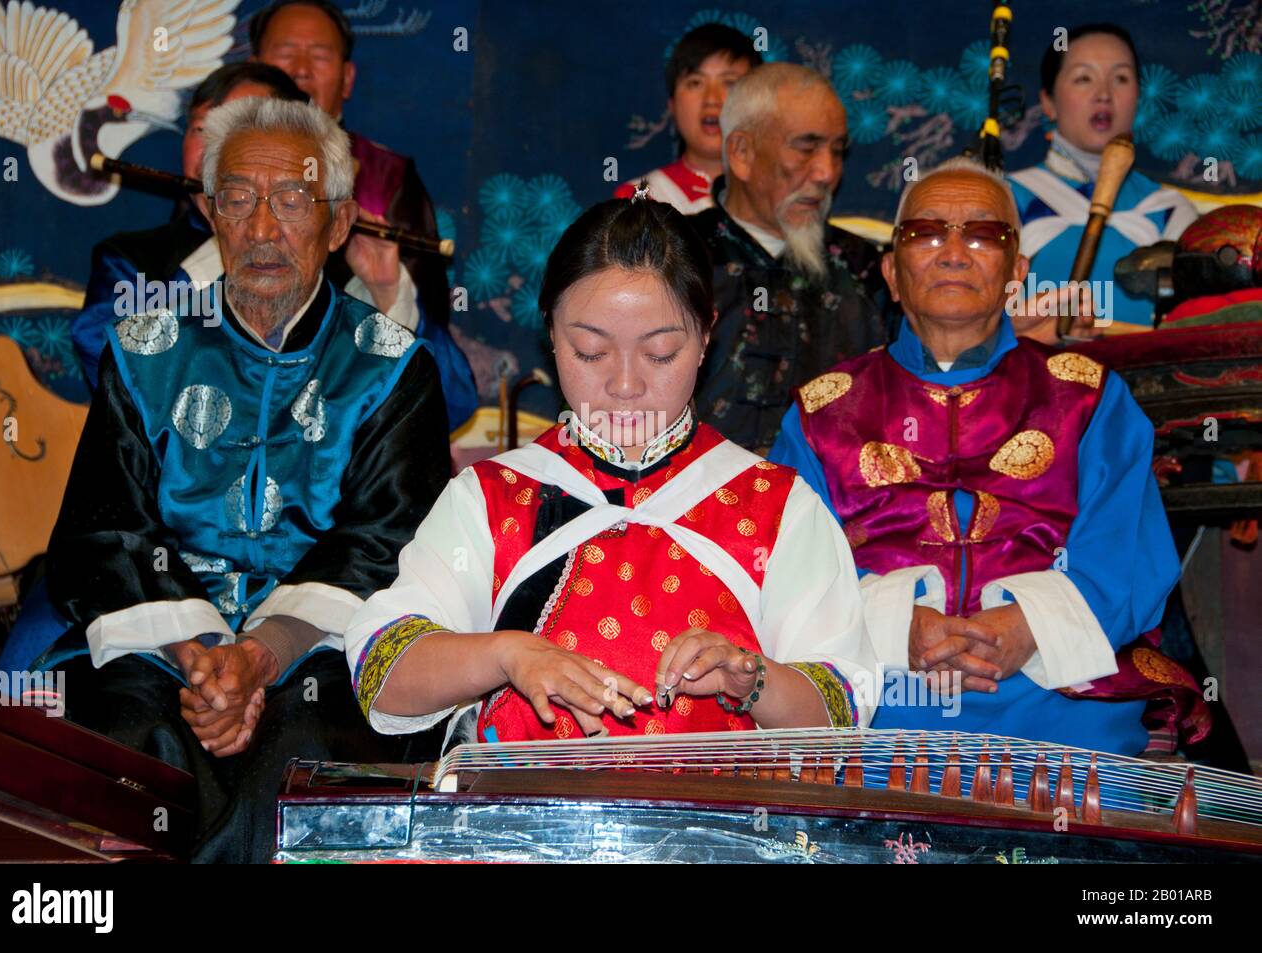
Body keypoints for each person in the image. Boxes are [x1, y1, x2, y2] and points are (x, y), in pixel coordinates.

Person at [39, 98, 451, 862]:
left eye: (291, 200)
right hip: (163, 650)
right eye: (236, 199)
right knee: (124, 734)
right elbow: (108, 528)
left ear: (336, 225)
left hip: (325, 652)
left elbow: (385, 543)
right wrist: (201, 651)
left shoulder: (392, 367)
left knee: (307, 758)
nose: (262, 229)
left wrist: (259, 654)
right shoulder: (144, 351)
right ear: (210, 214)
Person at [345, 192, 877, 744]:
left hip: (716, 827)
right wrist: (506, 654)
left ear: (705, 337)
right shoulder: (494, 497)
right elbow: (384, 671)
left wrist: (754, 681)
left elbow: (840, 704)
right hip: (523, 826)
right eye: (591, 351)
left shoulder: (775, 506)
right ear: (551, 334)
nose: (626, 386)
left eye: (661, 353)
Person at [770, 158, 1209, 756]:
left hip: (1057, 684)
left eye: (983, 234)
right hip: (882, 683)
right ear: (893, 274)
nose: (953, 252)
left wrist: (1029, 626)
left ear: (1016, 273)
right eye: (926, 233)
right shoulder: (824, 413)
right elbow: (789, 571)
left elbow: (1127, 558)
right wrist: (900, 627)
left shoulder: (1086, 396)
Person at [250, 0, 477, 429]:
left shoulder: (384, 178)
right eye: (284, 53)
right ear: (254, 65)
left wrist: (387, 289)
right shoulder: (218, 173)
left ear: (347, 78)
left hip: (346, 418)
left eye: (319, 56)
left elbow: (437, 357)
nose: (300, 69)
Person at [689, 63, 888, 455]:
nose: (827, 172)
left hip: (832, 510)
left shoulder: (866, 271)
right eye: (806, 147)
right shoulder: (671, 258)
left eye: (837, 151)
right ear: (742, 153)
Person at [71, 62, 309, 390]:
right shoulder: (130, 260)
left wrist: (383, 286)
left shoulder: (325, 256)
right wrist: (222, 248)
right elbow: (111, 364)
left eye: (239, 127)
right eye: (200, 129)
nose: (214, 147)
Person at [1008, 22, 1197, 339]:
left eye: (1121, 78)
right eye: (1084, 78)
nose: (1104, 94)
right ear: (1049, 102)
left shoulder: (1171, 211)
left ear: (1138, 97)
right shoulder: (1005, 199)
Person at [613, 23, 761, 215]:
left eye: (729, 83)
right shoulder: (640, 199)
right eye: (695, 83)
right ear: (672, 105)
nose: (712, 99)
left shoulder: (781, 194)